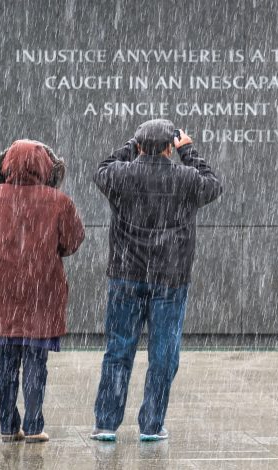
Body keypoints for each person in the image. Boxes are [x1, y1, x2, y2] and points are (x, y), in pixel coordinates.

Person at [90, 119, 223, 442]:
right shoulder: (186, 178)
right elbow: (214, 184)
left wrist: (129, 146)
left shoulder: (119, 176)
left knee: (119, 351)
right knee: (163, 353)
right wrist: (188, 151)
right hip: (170, 279)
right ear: (169, 148)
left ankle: (107, 423)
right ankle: (151, 424)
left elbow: (102, 169)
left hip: (125, 276)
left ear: (138, 147)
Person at [0, 139, 85, 443]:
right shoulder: (59, 201)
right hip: (42, 293)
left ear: (5, 165)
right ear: (47, 166)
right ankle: (33, 426)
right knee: (36, 362)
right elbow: (72, 241)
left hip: (2, 293)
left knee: (5, 362)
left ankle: (7, 426)